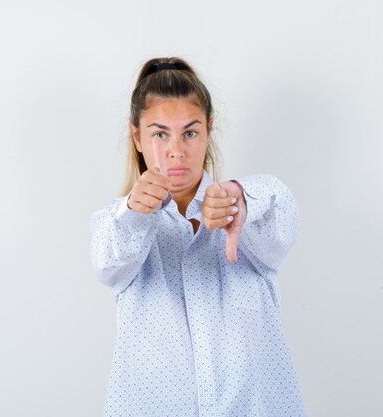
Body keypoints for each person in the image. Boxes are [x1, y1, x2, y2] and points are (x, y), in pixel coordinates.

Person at [90, 57, 307, 417]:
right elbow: (108, 264)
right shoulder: (116, 224)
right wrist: (133, 212)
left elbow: (281, 207)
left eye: (190, 132)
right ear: (137, 136)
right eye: (160, 134)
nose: (176, 150)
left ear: (209, 129)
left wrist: (239, 197)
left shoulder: (246, 212)